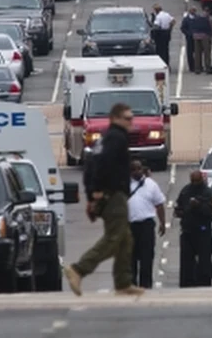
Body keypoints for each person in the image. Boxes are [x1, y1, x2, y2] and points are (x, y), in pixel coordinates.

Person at [63, 103, 142, 296]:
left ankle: (123, 283)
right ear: (115, 119)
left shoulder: (105, 138)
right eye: (127, 118)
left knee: (125, 240)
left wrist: (91, 193)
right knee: (114, 238)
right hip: (113, 194)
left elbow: (90, 165)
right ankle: (79, 269)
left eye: (131, 118)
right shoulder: (117, 138)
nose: (131, 122)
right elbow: (103, 165)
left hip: (108, 193)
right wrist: (97, 191)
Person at [127, 159, 167, 290]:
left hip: (146, 225)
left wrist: (162, 223)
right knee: (130, 257)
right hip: (129, 227)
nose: (137, 171)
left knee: (147, 257)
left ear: (142, 169)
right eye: (133, 169)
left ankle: (146, 285)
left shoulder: (151, 185)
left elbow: (159, 204)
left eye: (139, 168)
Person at [175, 170, 212, 287]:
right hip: (188, 231)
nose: (195, 183)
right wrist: (180, 212)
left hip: (203, 231)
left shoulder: (208, 192)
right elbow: (179, 207)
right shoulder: (185, 191)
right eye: (193, 181)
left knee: (204, 261)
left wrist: (199, 205)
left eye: (197, 181)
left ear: (201, 180)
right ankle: (186, 284)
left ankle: (204, 284)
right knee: (186, 262)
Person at [191, 7, 212, 74]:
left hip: (196, 36)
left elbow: (192, 26)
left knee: (197, 53)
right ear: (208, 12)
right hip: (205, 36)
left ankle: (197, 68)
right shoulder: (208, 19)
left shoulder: (196, 18)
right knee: (207, 53)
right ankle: (207, 68)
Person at [179, 7, 201, 74]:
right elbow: (182, 28)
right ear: (189, 11)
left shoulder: (198, 17)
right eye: (192, 10)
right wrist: (188, 34)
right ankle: (191, 67)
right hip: (189, 38)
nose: (193, 12)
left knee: (198, 52)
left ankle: (198, 66)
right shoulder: (186, 19)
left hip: (197, 37)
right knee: (190, 53)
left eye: (194, 10)